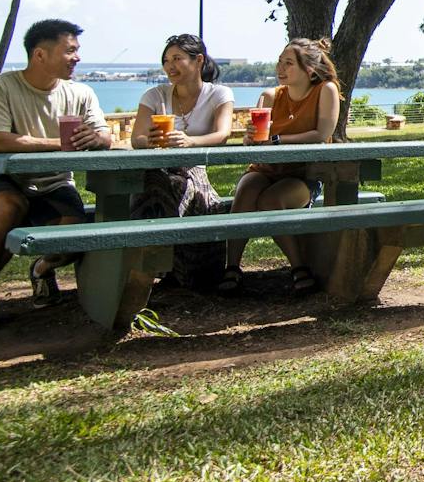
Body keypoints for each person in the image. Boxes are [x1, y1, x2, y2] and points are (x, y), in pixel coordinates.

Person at [0, 18, 118, 330]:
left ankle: (42, 268)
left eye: (77, 51)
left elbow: (104, 135)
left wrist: (97, 139)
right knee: (11, 208)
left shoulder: (81, 93)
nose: (77, 57)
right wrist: (61, 145)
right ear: (40, 55)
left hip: (55, 182)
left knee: (75, 233)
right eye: (70, 50)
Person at [223, 38, 343, 294]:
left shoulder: (325, 90)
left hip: (304, 173)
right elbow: (256, 139)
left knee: (271, 201)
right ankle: (231, 267)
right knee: (244, 194)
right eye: (279, 61)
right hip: (266, 168)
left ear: (309, 69)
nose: (280, 68)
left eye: (288, 63)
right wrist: (251, 139)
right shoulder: (269, 96)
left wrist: (277, 140)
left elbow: (321, 134)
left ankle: (299, 268)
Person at [130, 34, 235, 289]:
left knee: (183, 187)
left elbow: (223, 134)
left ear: (198, 60)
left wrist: (190, 142)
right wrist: (151, 141)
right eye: (166, 60)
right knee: (156, 184)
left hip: (194, 168)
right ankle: (144, 268)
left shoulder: (219, 94)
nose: (170, 66)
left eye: (177, 59)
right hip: (158, 168)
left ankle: (179, 268)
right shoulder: (155, 95)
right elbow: (137, 138)